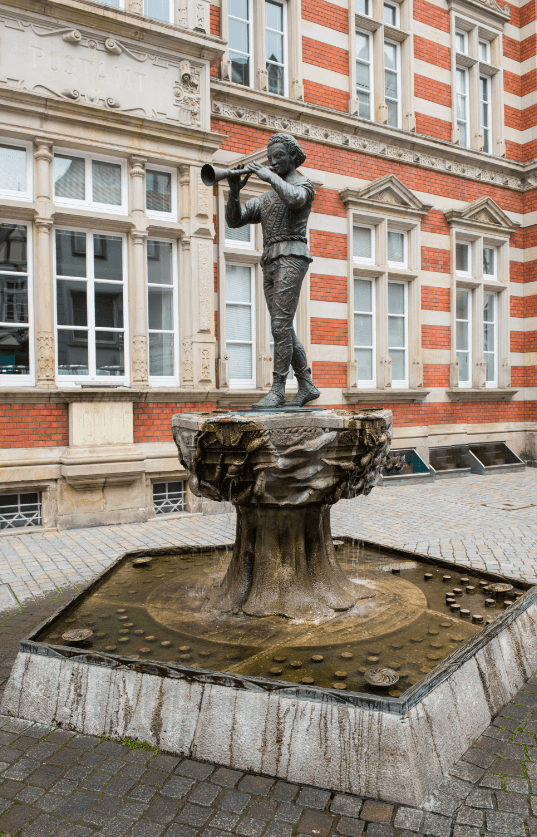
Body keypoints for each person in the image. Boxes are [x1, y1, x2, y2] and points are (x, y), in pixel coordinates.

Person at [225, 132, 320, 408]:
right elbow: (234, 220)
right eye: (270, 158)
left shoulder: (304, 185)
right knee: (283, 326)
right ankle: (307, 385)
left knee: (279, 325)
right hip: (270, 260)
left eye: (278, 156)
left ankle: (278, 389)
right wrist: (234, 190)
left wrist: (268, 176)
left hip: (293, 255)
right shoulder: (266, 199)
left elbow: (294, 200)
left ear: (293, 157)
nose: (273, 162)